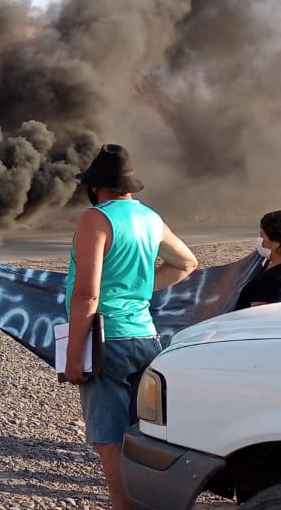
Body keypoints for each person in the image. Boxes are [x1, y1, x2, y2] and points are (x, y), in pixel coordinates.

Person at [63, 144, 199, 510]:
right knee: (142, 435)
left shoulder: (95, 218)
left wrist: (74, 356)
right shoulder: (151, 219)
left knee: (108, 440)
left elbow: (87, 294)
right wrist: (136, 290)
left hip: (109, 340)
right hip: (147, 337)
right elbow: (186, 262)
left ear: (95, 186)